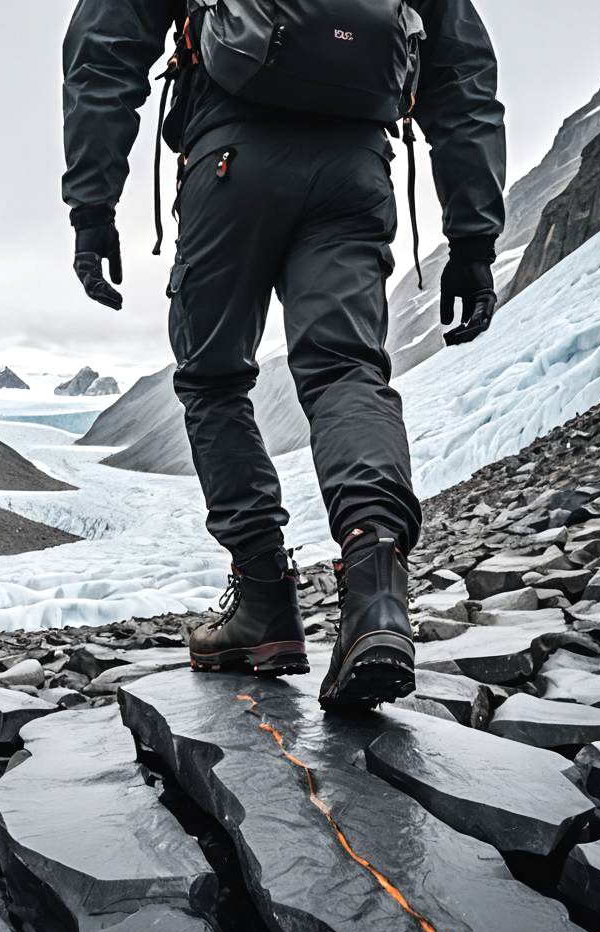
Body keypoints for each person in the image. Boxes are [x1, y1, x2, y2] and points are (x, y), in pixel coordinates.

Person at [62, 1, 505, 711]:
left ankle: (264, 606)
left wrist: (92, 208)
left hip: (230, 160)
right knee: (347, 370)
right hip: (355, 167)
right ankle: (377, 594)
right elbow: (465, 80)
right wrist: (473, 239)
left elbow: (105, 52)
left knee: (214, 382)